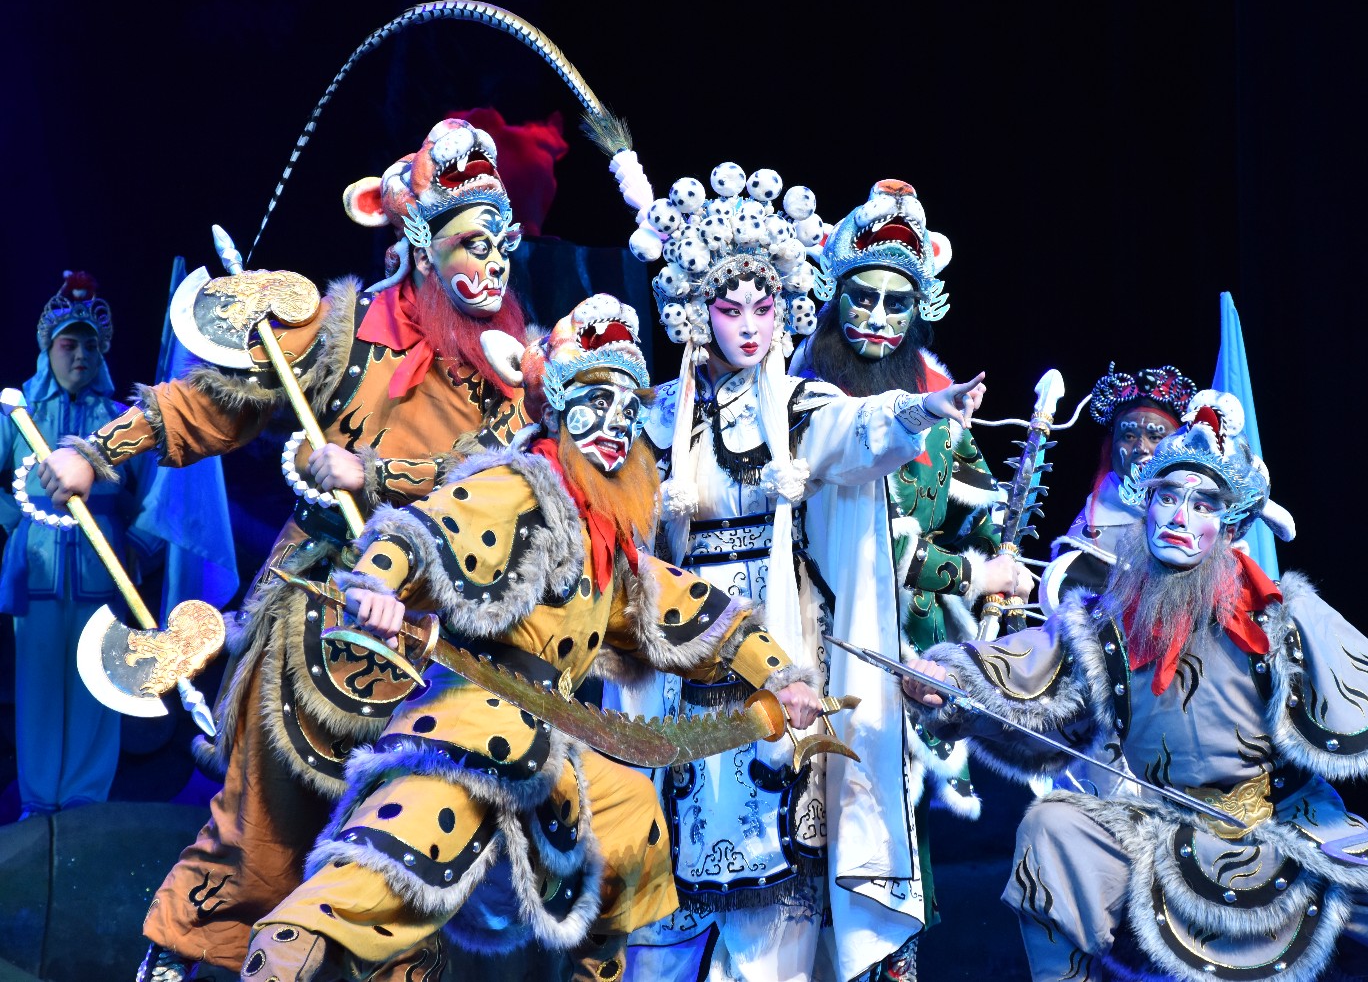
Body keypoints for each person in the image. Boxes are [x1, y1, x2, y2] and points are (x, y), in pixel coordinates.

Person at [39, 118, 535, 981]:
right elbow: (213, 399)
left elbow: (508, 486)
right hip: (314, 615)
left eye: (503, 245)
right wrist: (98, 452)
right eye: (472, 243)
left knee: (404, 877)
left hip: (432, 640)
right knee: (257, 844)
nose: (493, 266)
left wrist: (374, 473)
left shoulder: (515, 371)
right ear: (422, 248)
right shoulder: (344, 331)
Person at [901, 389, 1368, 980]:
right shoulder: (1106, 617)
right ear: (1146, 507)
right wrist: (943, 679)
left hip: (1290, 829)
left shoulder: (1279, 613)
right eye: (1167, 497)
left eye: (1202, 504)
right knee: (1053, 827)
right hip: (1162, 828)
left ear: (1229, 524)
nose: (1179, 517)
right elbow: (1021, 665)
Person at [243, 294, 823, 981]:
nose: (614, 426)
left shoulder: (603, 535)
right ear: (557, 409)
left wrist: (777, 673)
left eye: (627, 411)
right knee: (378, 873)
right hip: (466, 730)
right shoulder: (519, 487)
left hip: (552, 742)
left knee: (632, 819)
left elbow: (679, 603)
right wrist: (376, 584)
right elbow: (423, 529)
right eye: (596, 403)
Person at [613, 162, 985, 981]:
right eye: (729, 308)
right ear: (696, 311)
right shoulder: (656, 415)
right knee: (663, 898)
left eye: (764, 306)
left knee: (772, 893)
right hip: (679, 653)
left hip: (780, 642)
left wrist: (922, 407)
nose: (749, 326)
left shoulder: (798, 406)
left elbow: (862, 431)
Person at [790, 180, 1027, 974]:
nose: (877, 318)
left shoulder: (935, 405)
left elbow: (979, 511)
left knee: (891, 844)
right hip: (812, 644)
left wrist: (1002, 571)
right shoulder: (798, 400)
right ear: (834, 295)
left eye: (898, 303)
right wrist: (966, 572)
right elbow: (870, 548)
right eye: (863, 297)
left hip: (906, 662)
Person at [0, 272, 159, 819]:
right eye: (70, 344)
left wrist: (138, 542)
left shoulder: (120, 420)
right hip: (38, 569)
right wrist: (16, 521)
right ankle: (39, 801)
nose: (81, 355)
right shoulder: (20, 415)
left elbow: (160, 496)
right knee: (40, 684)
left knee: (98, 678)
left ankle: (87, 802)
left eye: (91, 346)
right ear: (49, 350)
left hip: (104, 568)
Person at [1042, 363, 1198, 603]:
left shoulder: (1202, 521)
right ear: (1111, 446)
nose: (1141, 448)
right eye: (1129, 436)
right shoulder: (1089, 535)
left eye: (1155, 436)